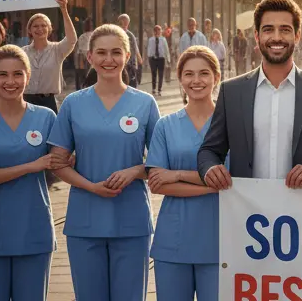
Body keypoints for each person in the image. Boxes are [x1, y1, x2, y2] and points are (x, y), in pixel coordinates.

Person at [47, 24, 161, 301]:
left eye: (116, 52)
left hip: (131, 221)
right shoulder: (73, 104)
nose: (109, 59)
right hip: (85, 220)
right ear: (89, 57)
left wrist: (135, 170)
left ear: (128, 56)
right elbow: (57, 163)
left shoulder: (145, 104)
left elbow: (160, 164)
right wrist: (91, 187)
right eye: (101, 53)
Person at [198, 0, 302, 190]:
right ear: (257, 36)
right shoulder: (231, 92)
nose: (276, 37)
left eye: (285, 30)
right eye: (268, 29)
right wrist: (210, 169)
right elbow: (209, 150)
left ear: (297, 36)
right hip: (246, 206)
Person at [0, 46, 66, 301]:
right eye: (2, 75)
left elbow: (60, 165)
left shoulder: (46, 117)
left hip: (33, 231)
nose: (10, 81)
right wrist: (30, 166)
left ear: (28, 76)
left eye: (17, 74)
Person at [146, 46, 223, 301]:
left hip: (221, 241)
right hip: (173, 240)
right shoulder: (165, 126)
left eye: (204, 73)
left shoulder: (232, 125)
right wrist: (212, 186)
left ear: (216, 77)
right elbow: (158, 184)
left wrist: (178, 174)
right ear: (180, 79)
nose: (196, 80)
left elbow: (230, 179)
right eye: (189, 74)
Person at [22, 0, 77, 112]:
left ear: (49, 29)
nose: (40, 29)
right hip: (26, 102)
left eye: (43, 26)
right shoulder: (22, 52)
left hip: (49, 102)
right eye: (35, 26)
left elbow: (72, 39)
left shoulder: (57, 50)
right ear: (29, 30)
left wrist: (64, 10)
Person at [117, 14, 143, 89]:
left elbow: (136, 50)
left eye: (121, 23)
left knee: (129, 86)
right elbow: (136, 51)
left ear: (126, 23)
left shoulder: (129, 35)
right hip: (123, 65)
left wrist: (139, 62)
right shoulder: (118, 35)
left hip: (129, 66)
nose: (119, 25)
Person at [146, 24, 172, 98]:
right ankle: (153, 89)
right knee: (153, 74)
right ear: (154, 32)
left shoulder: (163, 39)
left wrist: (168, 59)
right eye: (156, 31)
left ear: (161, 32)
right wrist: (149, 58)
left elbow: (166, 49)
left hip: (161, 59)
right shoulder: (151, 40)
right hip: (153, 59)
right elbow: (149, 49)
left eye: (159, 31)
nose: (157, 32)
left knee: (160, 74)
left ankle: (159, 90)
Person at [75, 19, 94, 90]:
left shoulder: (82, 37)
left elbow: (79, 49)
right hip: (91, 59)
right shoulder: (94, 35)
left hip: (82, 60)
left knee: (82, 80)